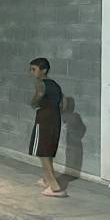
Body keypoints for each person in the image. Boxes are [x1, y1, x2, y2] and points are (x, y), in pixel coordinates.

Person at [28, 57, 66, 197]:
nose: (31, 72)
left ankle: (54, 187)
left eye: (34, 69)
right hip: (55, 118)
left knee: (42, 153)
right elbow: (64, 102)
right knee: (48, 149)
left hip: (44, 118)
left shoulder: (40, 83)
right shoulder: (55, 84)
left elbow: (38, 96)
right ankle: (46, 180)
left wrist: (33, 103)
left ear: (43, 70)